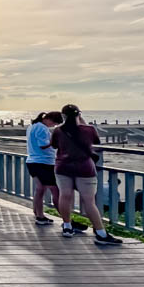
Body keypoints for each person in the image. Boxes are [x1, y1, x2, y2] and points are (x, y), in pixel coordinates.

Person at [51, 104, 122, 245]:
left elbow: (54, 145)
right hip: (84, 168)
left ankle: (67, 227)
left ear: (63, 116)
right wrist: (81, 121)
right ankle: (101, 233)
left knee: (65, 196)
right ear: (79, 114)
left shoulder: (58, 130)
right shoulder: (89, 129)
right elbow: (95, 141)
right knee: (89, 201)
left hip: (63, 167)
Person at [26, 111, 62, 226]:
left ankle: (39, 214)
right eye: (55, 123)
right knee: (55, 190)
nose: (54, 126)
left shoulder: (32, 126)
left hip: (32, 160)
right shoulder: (42, 128)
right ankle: (67, 219)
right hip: (43, 162)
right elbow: (43, 145)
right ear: (49, 119)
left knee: (40, 189)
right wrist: (55, 142)